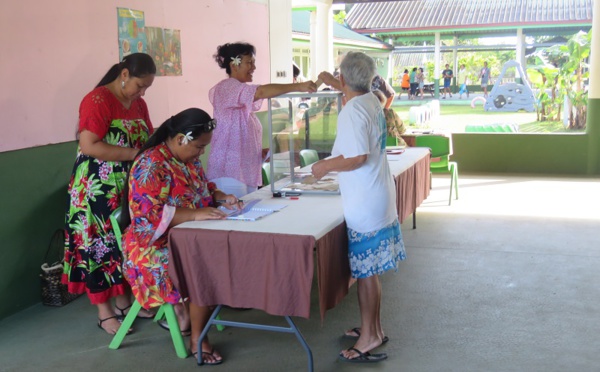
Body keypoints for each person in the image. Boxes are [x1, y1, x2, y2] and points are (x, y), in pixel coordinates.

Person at [123, 108, 241, 365]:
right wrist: (196, 214)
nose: (201, 153)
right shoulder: (151, 164)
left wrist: (222, 197)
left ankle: (191, 316)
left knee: (216, 256)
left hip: (190, 237)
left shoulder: (187, 159)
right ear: (180, 139)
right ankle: (199, 336)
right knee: (202, 266)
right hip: (152, 247)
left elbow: (204, 188)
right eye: (199, 147)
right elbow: (149, 218)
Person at [313, 52, 405, 364]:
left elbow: (356, 158)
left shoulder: (352, 111)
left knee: (367, 274)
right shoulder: (372, 100)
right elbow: (353, 92)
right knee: (372, 272)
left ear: (343, 80)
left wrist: (323, 166)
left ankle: (370, 336)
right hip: (377, 196)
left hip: (366, 202)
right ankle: (373, 328)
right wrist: (333, 81)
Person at [63, 53, 157, 335]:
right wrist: (133, 154)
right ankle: (105, 313)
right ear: (124, 74)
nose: (142, 93)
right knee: (99, 246)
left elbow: (148, 137)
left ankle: (124, 304)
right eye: (140, 85)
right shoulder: (97, 100)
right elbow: (90, 145)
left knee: (122, 245)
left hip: (126, 185)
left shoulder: (138, 103)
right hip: (96, 188)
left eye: (146, 88)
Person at [208, 42, 317, 198]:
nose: (253, 67)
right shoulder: (227, 87)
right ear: (234, 64)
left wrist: (258, 153)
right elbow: (261, 91)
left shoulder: (240, 93)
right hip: (229, 173)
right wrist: (298, 87)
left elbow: (238, 133)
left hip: (244, 172)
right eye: (249, 63)